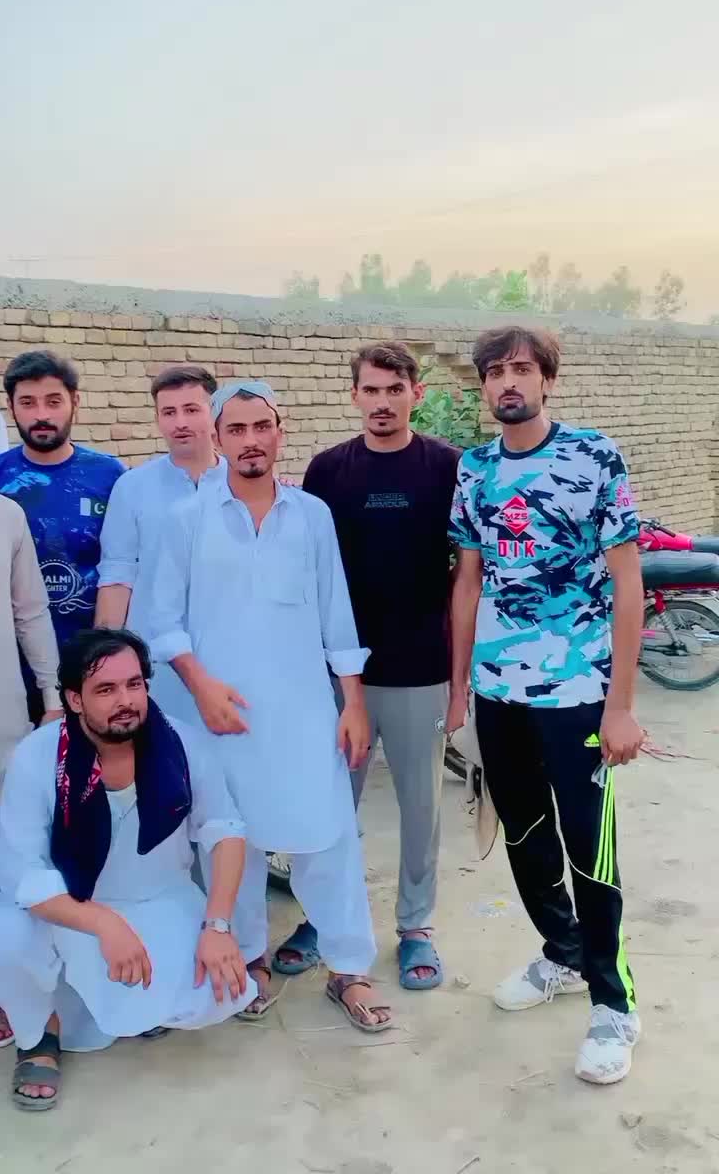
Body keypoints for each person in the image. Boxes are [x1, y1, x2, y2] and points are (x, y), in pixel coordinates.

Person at [149, 379, 392, 1032]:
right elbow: (161, 619)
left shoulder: (311, 515)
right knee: (234, 838)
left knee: (328, 836)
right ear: (218, 438)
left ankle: (349, 968)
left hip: (305, 710)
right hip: (220, 715)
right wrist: (201, 685)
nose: (251, 440)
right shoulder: (187, 520)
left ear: (280, 432)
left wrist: (352, 703)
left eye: (263, 427)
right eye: (237, 429)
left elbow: (336, 614)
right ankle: (250, 958)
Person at [446, 325, 644, 1086]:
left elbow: (628, 581)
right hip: (500, 691)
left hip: (579, 690)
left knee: (590, 846)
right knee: (526, 835)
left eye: (522, 369)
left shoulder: (594, 455)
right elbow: (469, 583)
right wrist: (460, 688)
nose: (508, 382)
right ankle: (561, 952)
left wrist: (620, 704)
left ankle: (613, 1003)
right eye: (495, 371)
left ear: (547, 380)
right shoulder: (474, 469)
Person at [0, 628, 255, 1111]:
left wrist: (218, 926)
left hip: (158, 897)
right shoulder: (38, 756)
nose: (126, 701)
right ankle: (38, 1036)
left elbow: (224, 828)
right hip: (66, 908)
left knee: (205, 997)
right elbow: (23, 875)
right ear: (74, 699)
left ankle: (134, 996)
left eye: (134, 684)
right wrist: (103, 922)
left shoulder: (179, 741)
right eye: (106, 689)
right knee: (7, 934)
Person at [274, 343, 460, 991]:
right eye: (371, 390)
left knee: (420, 807)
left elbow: (467, 573)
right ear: (353, 395)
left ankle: (415, 926)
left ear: (417, 394)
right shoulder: (328, 471)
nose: (382, 402)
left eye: (394, 389)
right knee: (328, 804)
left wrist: (460, 680)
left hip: (421, 668)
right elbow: (308, 572)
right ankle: (321, 917)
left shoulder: (447, 467)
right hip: (339, 674)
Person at [0, 351, 125, 723]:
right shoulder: (1, 478)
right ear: (10, 406)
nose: (41, 414)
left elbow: (126, 569)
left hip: (93, 664)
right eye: (27, 403)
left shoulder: (110, 476)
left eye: (53, 401)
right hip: (13, 672)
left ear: (75, 402)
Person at [95, 365, 225, 719]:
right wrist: (104, 654)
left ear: (213, 412)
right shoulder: (132, 487)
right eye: (169, 412)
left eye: (191, 409)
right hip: (154, 662)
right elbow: (117, 574)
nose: (180, 422)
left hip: (228, 658)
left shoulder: (243, 484)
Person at [0, 494, 62, 1051]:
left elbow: (30, 612)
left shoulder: (7, 516)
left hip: (4, 723)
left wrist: (52, 694)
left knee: (15, 865)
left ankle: (21, 1000)